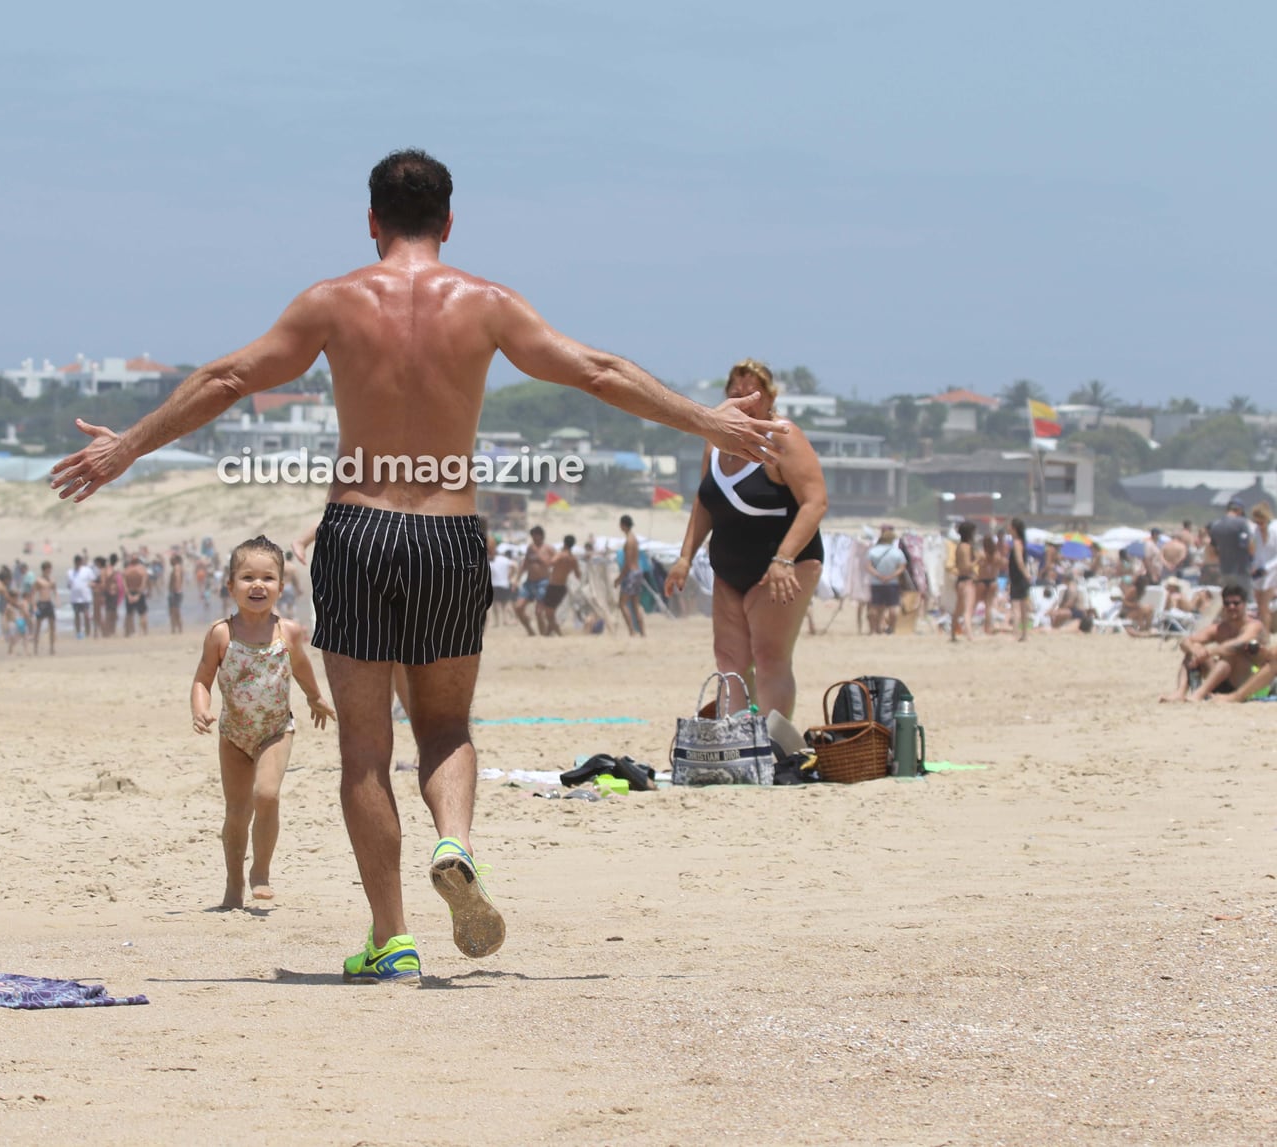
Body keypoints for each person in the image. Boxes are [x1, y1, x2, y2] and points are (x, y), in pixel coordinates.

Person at [50, 148, 784, 981]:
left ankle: (392, 936)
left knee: (365, 747)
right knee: (444, 727)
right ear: (448, 221)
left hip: (357, 533)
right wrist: (703, 423)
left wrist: (127, 448)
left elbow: (227, 377)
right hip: (448, 536)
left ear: (370, 221)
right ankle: (455, 841)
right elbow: (598, 370)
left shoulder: (332, 303)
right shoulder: (488, 304)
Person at [665, 360, 826, 718]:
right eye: (735, 395)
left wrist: (784, 558)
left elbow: (815, 502)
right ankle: (736, 739)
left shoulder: (783, 437)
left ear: (770, 398)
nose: (743, 402)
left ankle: (773, 746)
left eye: (752, 395)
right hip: (729, 570)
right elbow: (705, 501)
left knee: (770, 657)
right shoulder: (717, 444)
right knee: (730, 659)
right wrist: (684, 557)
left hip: (782, 568)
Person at [189, 536, 336, 908]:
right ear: (230, 586)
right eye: (247, 577)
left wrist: (315, 697)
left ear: (281, 587)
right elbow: (202, 679)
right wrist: (200, 708)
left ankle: (261, 872)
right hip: (233, 735)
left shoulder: (287, 632)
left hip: (275, 730)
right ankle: (233, 881)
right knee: (236, 813)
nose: (258, 585)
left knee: (266, 795)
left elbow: (301, 667)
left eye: (268, 578)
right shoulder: (222, 633)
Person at [1160, 583, 1266, 702]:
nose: (1231, 607)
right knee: (1193, 649)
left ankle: (1199, 694)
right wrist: (1195, 650)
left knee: (1231, 653)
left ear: (1244, 604)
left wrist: (1208, 652)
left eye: (1236, 603)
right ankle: (1180, 692)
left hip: (1245, 681)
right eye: (1227, 603)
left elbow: (1239, 643)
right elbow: (1185, 641)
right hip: (1220, 678)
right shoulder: (1219, 628)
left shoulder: (1254, 626)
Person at [865, 524, 906, 636]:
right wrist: (891, 576)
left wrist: (878, 576)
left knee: (874, 607)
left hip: (876, 583)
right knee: (893, 607)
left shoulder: (872, 551)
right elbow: (902, 567)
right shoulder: (897, 552)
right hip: (892, 583)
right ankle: (891, 629)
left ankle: (873, 630)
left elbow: (868, 566)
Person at [512, 525, 553, 636]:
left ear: (541, 536)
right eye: (533, 536)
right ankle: (530, 630)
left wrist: (539, 556)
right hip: (529, 582)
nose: (534, 538)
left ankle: (544, 635)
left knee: (539, 612)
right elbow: (524, 565)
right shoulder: (530, 548)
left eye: (536, 536)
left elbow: (551, 564)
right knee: (518, 607)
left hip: (543, 582)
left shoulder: (548, 548)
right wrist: (516, 580)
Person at [1208, 502, 1255, 589]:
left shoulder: (1215, 525)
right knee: (1246, 599)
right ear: (1240, 511)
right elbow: (1249, 546)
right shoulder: (1242, 523)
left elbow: (1211, 552)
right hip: (1242, 570)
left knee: (1229, 598)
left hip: (1225, 570)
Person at [616, 515, 647, 637]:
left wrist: (619, 578)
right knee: (635, 604)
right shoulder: (634, 539)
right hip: (638, 572)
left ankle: (632, 631)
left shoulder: (629, 541)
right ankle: (642, 632)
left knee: (622, 603)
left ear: (623, 525)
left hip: (631, 573)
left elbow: (628, 563)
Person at [544, 535, 580, 635]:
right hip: (562, 587)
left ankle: (559, 633)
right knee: (551, 611)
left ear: (564, 543)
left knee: (548, 613)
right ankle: (547, 634)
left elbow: (551, 562)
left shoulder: (560, 555)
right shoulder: (573, 559)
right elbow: (578, 574)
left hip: (553, 585)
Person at [950, 522, 978, 643]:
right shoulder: (966, 547)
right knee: (967, 610)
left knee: (958, 609)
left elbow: (958, 564)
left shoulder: (959, 547)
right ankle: (969, 635)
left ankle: (952, 633)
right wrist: (978, 560)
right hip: (967, 580)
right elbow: (967, 566)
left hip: (960, 580)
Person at [1249, 503, 1277, 623]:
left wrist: (1266, 567)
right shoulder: (1256, 531)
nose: (1260, 525)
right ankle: (1262, 632)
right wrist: (1254, 567)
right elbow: (1257, 552)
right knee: (1259, 606)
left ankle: (1265, 635)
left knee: (1264, 606)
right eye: (1257, 522)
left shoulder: (1274, 530)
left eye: (1262, 523)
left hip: (1272, 570)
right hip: (1259, 571)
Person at [1007, 518, 1032, 642]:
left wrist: (1026, 574)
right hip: (1021, 578)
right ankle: (1025, 634)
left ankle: (1015, 634)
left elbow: (1019, 562)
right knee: (1023, 608)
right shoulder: (1021, 542)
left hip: (1018, 578)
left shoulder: (1016, 543)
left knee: (1016, 607)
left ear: (1014, 528)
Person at [31, 561, 58, 654]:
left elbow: (55, 591)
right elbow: (33, 593)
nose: (49, 570)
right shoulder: (38, 580)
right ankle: (35, 648)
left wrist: (57, 600)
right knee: (38, 627)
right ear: (44, 570)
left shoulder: (52, 580)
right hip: (41, 604)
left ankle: (52, 648)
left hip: (49, 603)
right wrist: (34, 606)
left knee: (52, 627)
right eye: (48, 569)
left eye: (50, 569)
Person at [67, 554, 95, 639]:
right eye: (77, 562)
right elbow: (68, 585)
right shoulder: (70, 572)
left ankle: (88, 632)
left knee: (86, 615)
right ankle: (78, 633)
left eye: (80, 561)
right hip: (75, 598)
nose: (78, 563)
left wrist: (90, 585)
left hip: (85, 597)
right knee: (77, 615)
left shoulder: (87, 570)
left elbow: (93, 581)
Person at [487, 544, 515, 627]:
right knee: (505, 603)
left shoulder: (491, 560)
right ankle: (506, 620)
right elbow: (515, 566)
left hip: (494, 584)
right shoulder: (505, 559)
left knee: (496, 604)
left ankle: (497, 622)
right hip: (505, 583)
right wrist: (510, 575)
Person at [122, 555, 150, 636]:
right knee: (142, 613)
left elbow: (125, 585)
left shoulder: (126, 570)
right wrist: (138, 595)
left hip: (130, 592)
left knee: (129, 614)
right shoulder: (142, 570)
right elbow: (143, 584)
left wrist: (129, 595)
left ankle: (128, 632)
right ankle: (144, 632)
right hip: (139, 592)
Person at [167, 554, 185, 634]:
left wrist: (176, 589)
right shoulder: (179, 567)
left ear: (176, 560)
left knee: (174, 611)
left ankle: (176, 629)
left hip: (175, 592)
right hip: (175, 592)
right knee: (174, 611)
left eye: (172, 559)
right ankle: (175, 629)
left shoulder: (176, 567)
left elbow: (177, 577)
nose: (170, 561)